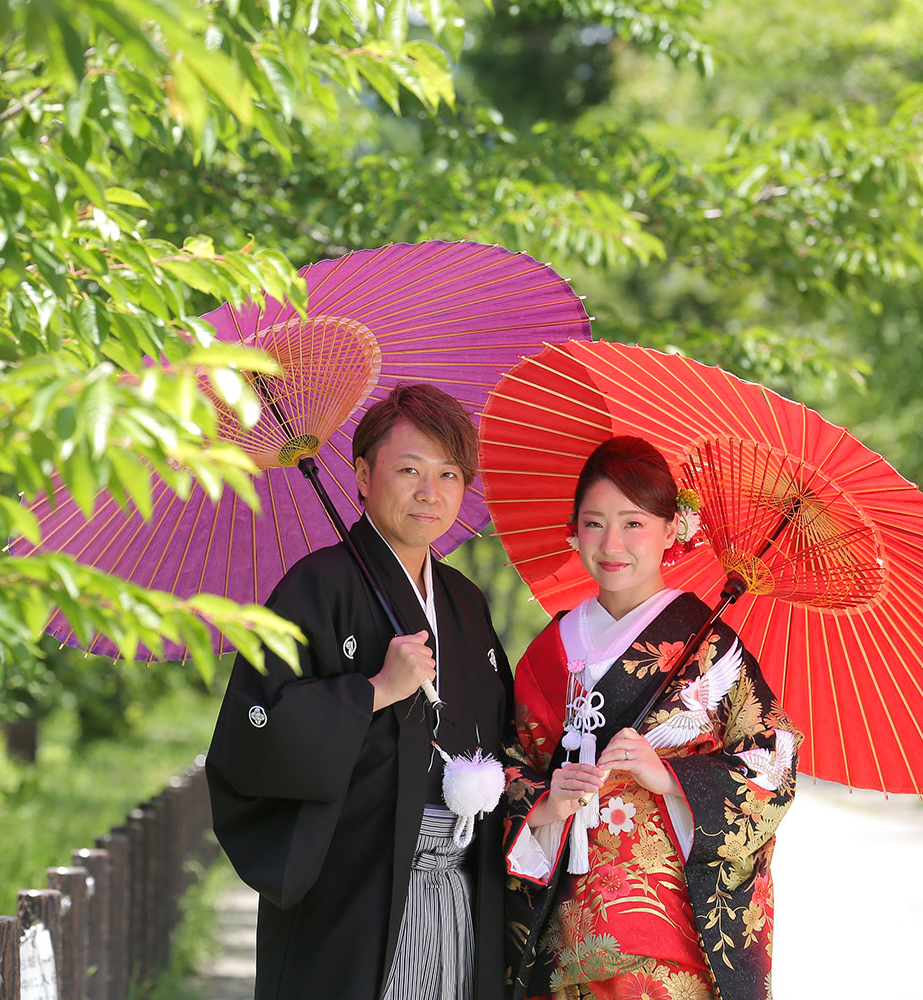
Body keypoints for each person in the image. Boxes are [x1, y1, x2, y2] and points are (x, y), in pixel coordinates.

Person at [205, 383, 513, 1000]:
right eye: (409, 470)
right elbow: (252, 735)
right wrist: (373, 690)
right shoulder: (315, 588)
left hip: (457, 881)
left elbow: (504, 735)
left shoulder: (464, 602)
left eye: (450, 473)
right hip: (352, 890)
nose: (431, 493)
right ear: (362, 474)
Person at [502, 435, 801, 1000]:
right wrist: (546, 798)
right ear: (574, 531)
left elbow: (775, 761)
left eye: (634, 523)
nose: (612, 543)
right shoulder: (547, 652)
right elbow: (511, 766)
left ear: (672, 530)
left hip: (670, 931)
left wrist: (670, 776)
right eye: (593, 523)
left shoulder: (711, 648)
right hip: (563, 932)